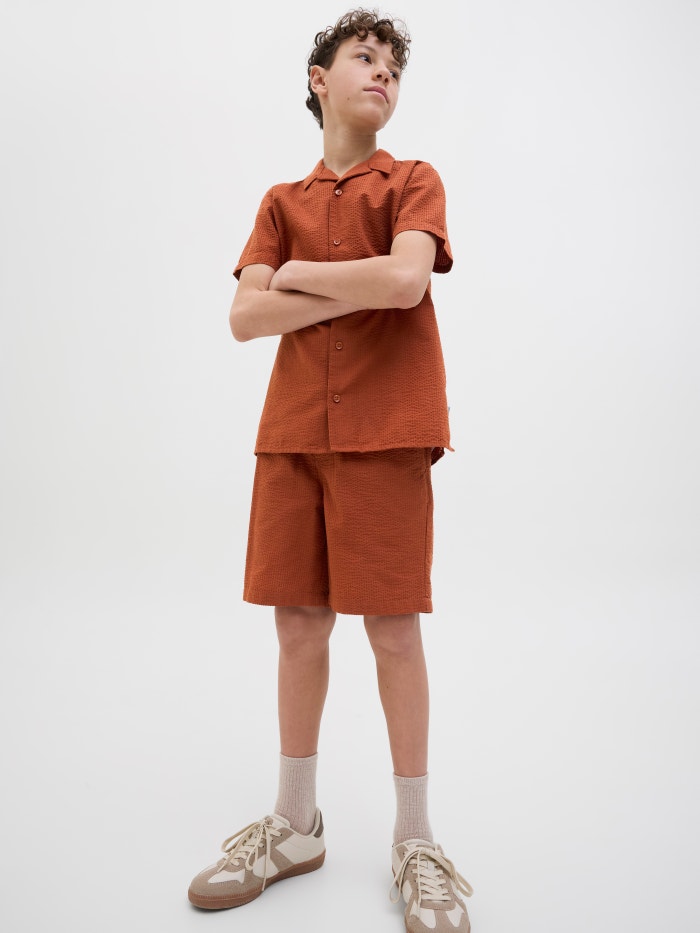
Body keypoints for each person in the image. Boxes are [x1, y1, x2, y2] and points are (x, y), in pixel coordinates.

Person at [187, 9, 473, 932]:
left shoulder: (415, 180)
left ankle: (416, 837)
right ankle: (296, 822)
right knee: (298, 625)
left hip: (388, 433)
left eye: (394, 65)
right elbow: (244, 320)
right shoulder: (281, 201)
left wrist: (292, 279)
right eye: (364, 56)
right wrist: (321, 286)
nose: (383, 73)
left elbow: (405, 282)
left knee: (392, 631)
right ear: (319, 79)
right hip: (292, 438)